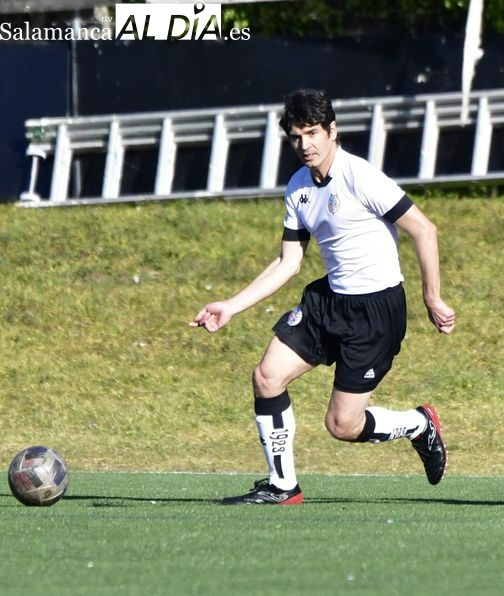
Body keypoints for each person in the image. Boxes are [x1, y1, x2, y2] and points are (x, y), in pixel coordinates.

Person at [191, 88, 456, 505]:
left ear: (333, 131)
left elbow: (424, 230)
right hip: (328, 301)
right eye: (296, 136)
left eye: (313, 133)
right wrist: (230, 306)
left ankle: (419, 425)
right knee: (266, 377)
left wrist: (432, 298)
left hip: (375, 311)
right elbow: (288, 262)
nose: (305, 145)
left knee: (342, 425)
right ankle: (282, 487)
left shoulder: (360, 176)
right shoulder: (298, 186)